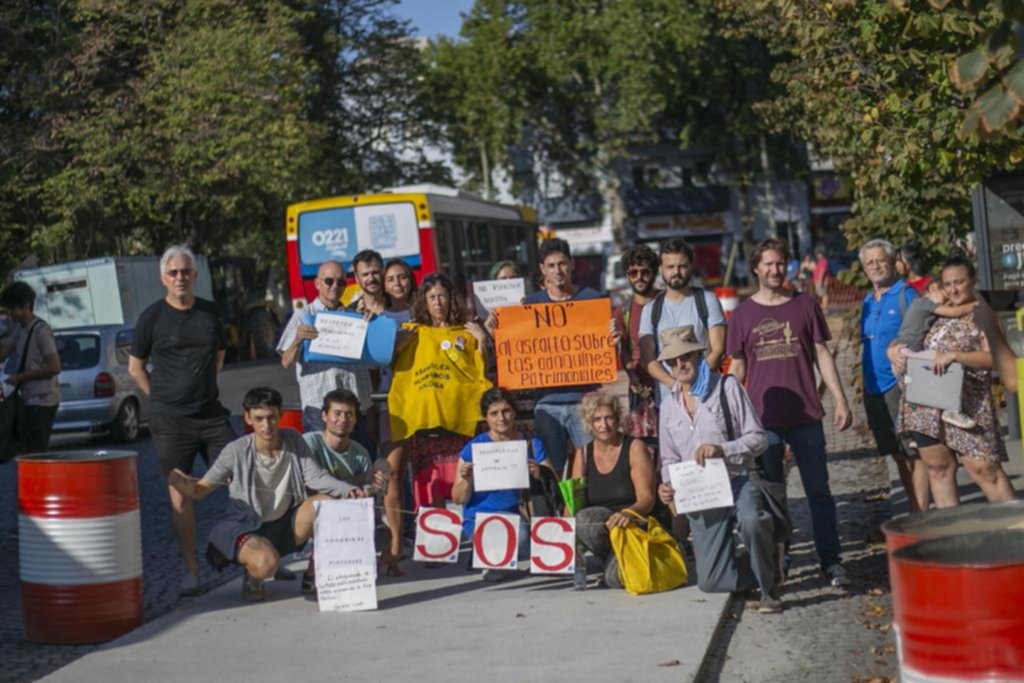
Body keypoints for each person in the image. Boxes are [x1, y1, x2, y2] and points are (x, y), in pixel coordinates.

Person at [167, 387, 375, 602]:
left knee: (328, 502)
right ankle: (254, 575)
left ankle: (315, 574)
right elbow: (200, 491)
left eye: (271, 417)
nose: (266, 426)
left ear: (280, 415)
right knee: (266, 564)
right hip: (246, 526)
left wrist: (348, 491)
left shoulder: (293, 439)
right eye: (259, 418)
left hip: (285, 523)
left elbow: (316, 477)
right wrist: (179, 483)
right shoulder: (235, 450)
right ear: (247, 417)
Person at [727, 238, 853, 587]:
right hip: (762, 423)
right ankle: (781, 560)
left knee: (819, 492)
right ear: (755, 268)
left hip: (806, 417)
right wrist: (725, 414)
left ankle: (831, 561)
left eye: (780, 263)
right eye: (767, 264)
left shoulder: (804, 305)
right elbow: (737, 369)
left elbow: (822, 354)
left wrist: (841, 400)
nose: (774, 269)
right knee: (773, 498)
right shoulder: (742, 315)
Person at [127, 245, 237, 596]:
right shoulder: (151, 318)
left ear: (195, 275)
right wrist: (158, 399)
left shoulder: (209, 312)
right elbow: (135, 367)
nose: (180, 277)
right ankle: (192, 572)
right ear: (163, 278)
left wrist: (200, 387)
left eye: (185, 271)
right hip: (170, 422)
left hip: (211, 414)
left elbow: (218, 357)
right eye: (173, 273)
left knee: (242, 479)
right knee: (179, 495)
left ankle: (252, 552)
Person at [653, 326, 781, 613]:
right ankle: (764, 566)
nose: (680, 364)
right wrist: (667, 486)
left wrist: (724, 448)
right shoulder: (669, 406)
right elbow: (669, 460)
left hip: (738, 479)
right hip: (701, 494)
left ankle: (769, 589)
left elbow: (759, 438)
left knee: (752, 521)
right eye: (672, 360)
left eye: (686, 356)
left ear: (699, 355)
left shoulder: (727, 387)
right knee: (711, 582)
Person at [383, 273, 490, 568]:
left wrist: (482, 341)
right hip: (425, 423)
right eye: (432, 297)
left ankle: (481, 547)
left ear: (451, 299)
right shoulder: (411, 332)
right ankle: (437, 548)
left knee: (467, 484)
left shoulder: (467, 332)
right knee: (430, 487)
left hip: (459, 422)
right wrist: (397, 344)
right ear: (424, 302)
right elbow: (390, 365)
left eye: (443, 296)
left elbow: (481, 373)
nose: (438, 302)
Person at [891, 254, 1015, 508]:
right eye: (948, 284)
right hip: (925, 404)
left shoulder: (983, 313)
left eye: (959, 282)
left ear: (973, 280)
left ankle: (1017, 529)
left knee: (985, 470)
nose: (953, 289)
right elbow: (906, 336)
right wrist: (892, 349)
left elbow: (996, 359)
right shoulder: (935, 309)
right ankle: (954, 536)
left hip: (969, 404)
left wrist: (956, 355)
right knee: (938, 469)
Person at [524, 238, 607, 476]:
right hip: (546, 404)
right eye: (551, 265)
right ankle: (557, 513)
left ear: (572, 264)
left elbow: (605, 351)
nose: (557, 271)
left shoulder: (592, 299)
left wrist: (612, 338)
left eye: (562, 264)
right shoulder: (530, 306)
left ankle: (588, 514)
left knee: (590, 468)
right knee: (553, 471)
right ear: (542, 269)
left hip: (584, 402)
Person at [858, 238, 929, 513]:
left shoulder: (906, 295)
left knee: (914, 454)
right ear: (864, 269)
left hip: (900, 386)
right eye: (870, 263)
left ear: (893, 264)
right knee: (899, 456)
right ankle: (915, 511)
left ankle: (920, 515)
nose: (876, 266)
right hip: (874, 388)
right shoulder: (867, 301)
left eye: (880, 261)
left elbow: (922, 337)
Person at [452, 388, 551, 581]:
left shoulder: (532, 442)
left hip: (523, 514)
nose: (501, 418)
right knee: (519, 539)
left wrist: (540, 473)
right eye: (494, 413)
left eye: (506, 411)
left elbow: (554, 482)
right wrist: (466, 479)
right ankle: (487, 553)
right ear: (485, 417)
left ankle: (491, 557)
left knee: (528, 542)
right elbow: (457, 498)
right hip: (481, 518)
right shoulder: (473, 448)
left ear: (514, 412)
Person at [276, 259, 374, 443]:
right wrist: (297, 339)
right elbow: (286, 361)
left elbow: (371, 360)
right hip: (319, 410)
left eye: (341, 282)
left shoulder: (354, 317)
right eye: (329, 281)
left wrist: (371, 325)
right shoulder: (304, 315)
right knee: (323, 470)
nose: (335, 286)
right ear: (317, 284)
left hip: (354, 408)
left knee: (360, 467)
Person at [571, 390, 656, 589]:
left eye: (609, 417)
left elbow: (647, 499)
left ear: (618, 418)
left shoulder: (635, 447)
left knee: (615, 580)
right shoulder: (582, 454)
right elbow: (573, 504)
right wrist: (568, 540)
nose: (604, 425)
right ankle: (609, 559)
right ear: (589, 423)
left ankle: (626, 560)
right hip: (602, 528)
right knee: (583, 519)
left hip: (633, 523)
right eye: (597, 419)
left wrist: (629, 513)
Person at [639, 238, 727, 408]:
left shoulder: (707, 301)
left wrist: (696, 386)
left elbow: (718, 350)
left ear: (691, 266)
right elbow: (647, 358)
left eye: (682, 266)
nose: (676, 272)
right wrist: (675, 386)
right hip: (668, 403)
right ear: (661, 269)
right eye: (670, 267)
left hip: (706, 399)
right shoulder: (650, 310)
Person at [891, 279, 979, 431]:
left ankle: (911, 433)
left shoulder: (921, 307)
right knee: (946, 358)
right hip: (908, 354)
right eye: (945, 295)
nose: (946, 301)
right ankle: (952, 411)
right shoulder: (924, 302)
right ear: (933, 288)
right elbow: (955, 312)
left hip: (901, 357)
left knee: (914, 396)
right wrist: (979, 304)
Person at [0, 281, 61, 453]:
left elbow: (55, 367)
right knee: (26, 451)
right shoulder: (20, 329)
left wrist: (20, 378)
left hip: (42, 401)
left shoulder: (40, 330)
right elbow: (3, 353)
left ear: (26, 305)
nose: (11, 314)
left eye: (13, 309)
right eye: (8, 310)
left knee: (36, 453)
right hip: (27, 399)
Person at [613, 244, 660, 440]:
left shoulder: (666, 301)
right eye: (633, 273)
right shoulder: (623, 310)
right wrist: (632, 377)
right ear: (627, 275)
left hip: (670, 382)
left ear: (654, 272)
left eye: (644, 272)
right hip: (640, 389)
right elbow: (624, 349)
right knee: (644, 444)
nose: (639, 277)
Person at [347, 249, 387, 316]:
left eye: (375, 273)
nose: (371, 279)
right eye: (365, 274)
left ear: (383, 272)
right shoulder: (350, 312)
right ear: (357, 277)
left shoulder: (397, 306)